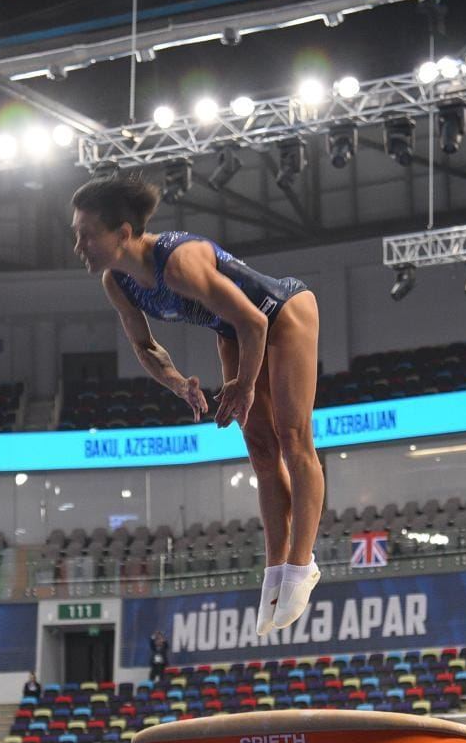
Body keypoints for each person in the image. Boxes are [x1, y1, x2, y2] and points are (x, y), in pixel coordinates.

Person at [73, 175, 323, 634]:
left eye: (87, 235)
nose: (79, 247)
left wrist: (245, 385)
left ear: (123, 233)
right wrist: (176, 383)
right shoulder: (117, 281)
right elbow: (145, 346)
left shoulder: (178, 263)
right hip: (233, 333)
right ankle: (274, 572)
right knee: (261, 452)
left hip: (283, 311)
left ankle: (301, 564)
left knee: (292, 437)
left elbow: (255, 321)